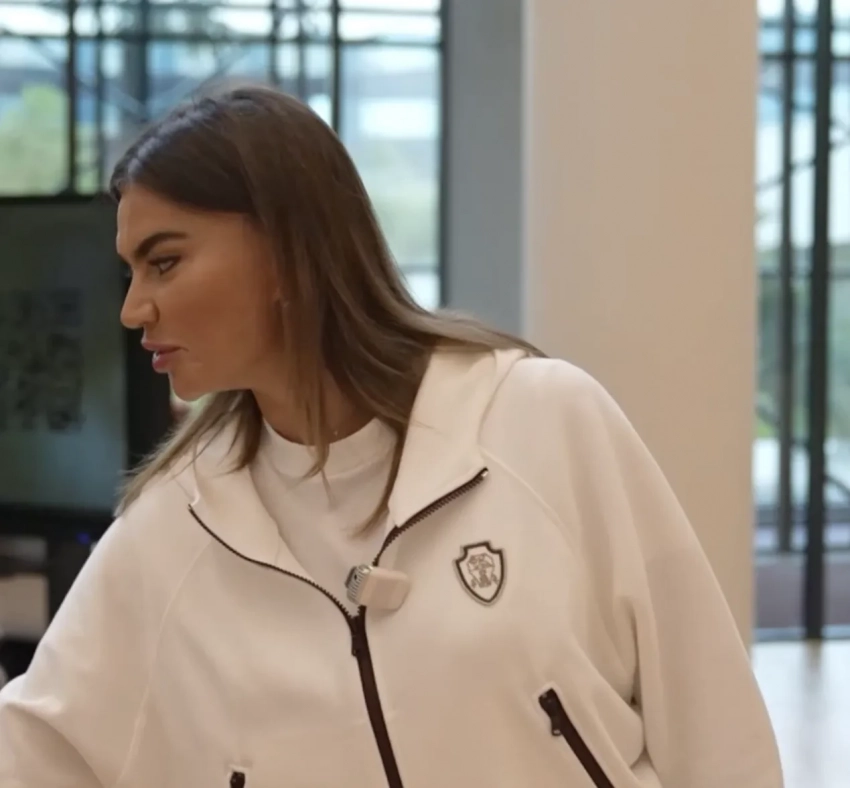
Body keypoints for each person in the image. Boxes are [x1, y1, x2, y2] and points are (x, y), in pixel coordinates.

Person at [0, 85, 783, 788]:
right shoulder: (172, 524)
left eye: (165, 263)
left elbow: (717, 732)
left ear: (286, 248)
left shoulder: (546, 421)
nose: (133, 309)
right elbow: (34, 753)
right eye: (131, 273)